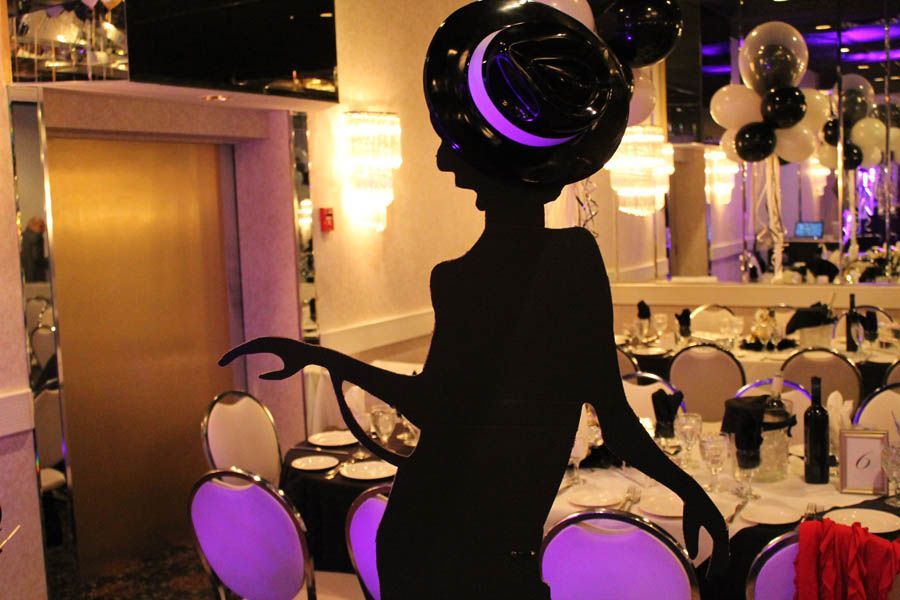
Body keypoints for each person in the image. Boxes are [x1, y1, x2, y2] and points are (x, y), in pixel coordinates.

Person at [220, 2, 727, 597]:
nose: (443, 158)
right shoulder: (570, 263)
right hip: (467, 533)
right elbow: (612, 420)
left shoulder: (470, 276)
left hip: (439, 525)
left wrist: (329, 362)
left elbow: (431, 407)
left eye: (455, 148)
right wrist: (691, 492)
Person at [21, 216, 48, 282]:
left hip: (28, 273)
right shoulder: (37, 238)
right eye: (41, 226)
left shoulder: (24, 237)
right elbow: (37, 257)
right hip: (37, 273)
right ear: (34, 226)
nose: (44, 230)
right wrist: (47, 262)